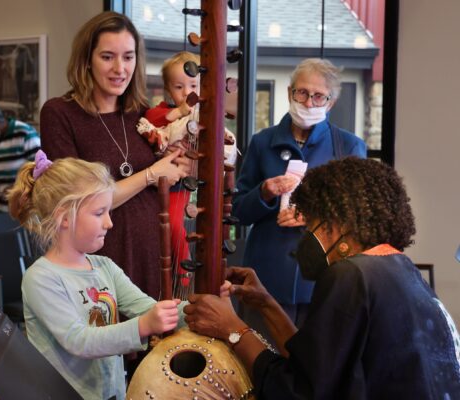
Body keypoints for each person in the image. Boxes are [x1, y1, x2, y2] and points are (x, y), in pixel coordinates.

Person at [184, 157, 460, 399]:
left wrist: (231, 329)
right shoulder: (401, 269)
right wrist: (267, 304)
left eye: (313, 225)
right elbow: (318, 366)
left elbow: (299, 391)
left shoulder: (351, 274)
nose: (307, 238)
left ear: (338, 223)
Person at [6, 151, 182, 400]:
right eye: (100, 213)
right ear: (65, 217)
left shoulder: (104, 267)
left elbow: (147, 307)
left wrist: (197, 309)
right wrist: (144, 326)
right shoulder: (41, 278)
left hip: (109, 393)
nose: (109, 223)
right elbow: (79, 341)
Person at [40, 11, 188, 299]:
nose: (120, 68)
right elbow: (78, 202)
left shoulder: (140, 112)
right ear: (86, 60)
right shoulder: (59, 113)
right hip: (99, 259)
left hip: (153, 252)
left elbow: (170, 172)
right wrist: (151, 174)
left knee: (158, 340)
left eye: (128, 57)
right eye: (108, 57)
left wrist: (176, 160)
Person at [232, 58, 367, 334]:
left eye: (318, 96)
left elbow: (359, 215)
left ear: (330, 102)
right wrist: (265, 192)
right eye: (302, 92)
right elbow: (237, 211)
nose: (308, 102)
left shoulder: (349, 146)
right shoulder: (262, 142)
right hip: (266, 275)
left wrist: (314, 217)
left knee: (316, 368)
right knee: (258, 359)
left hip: (324, 278)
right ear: (290, 93)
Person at [136, 51, 237, 284]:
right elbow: (154, 119)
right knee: (166, 225)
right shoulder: (160, 112)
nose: (186, 92)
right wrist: (181, 112)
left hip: (189, 183)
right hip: (165, 183)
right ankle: (177, 271)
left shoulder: (206, 116)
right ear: (167, 89)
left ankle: (192, 273)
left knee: (189, 225)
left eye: (193, 84)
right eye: (178, 87)